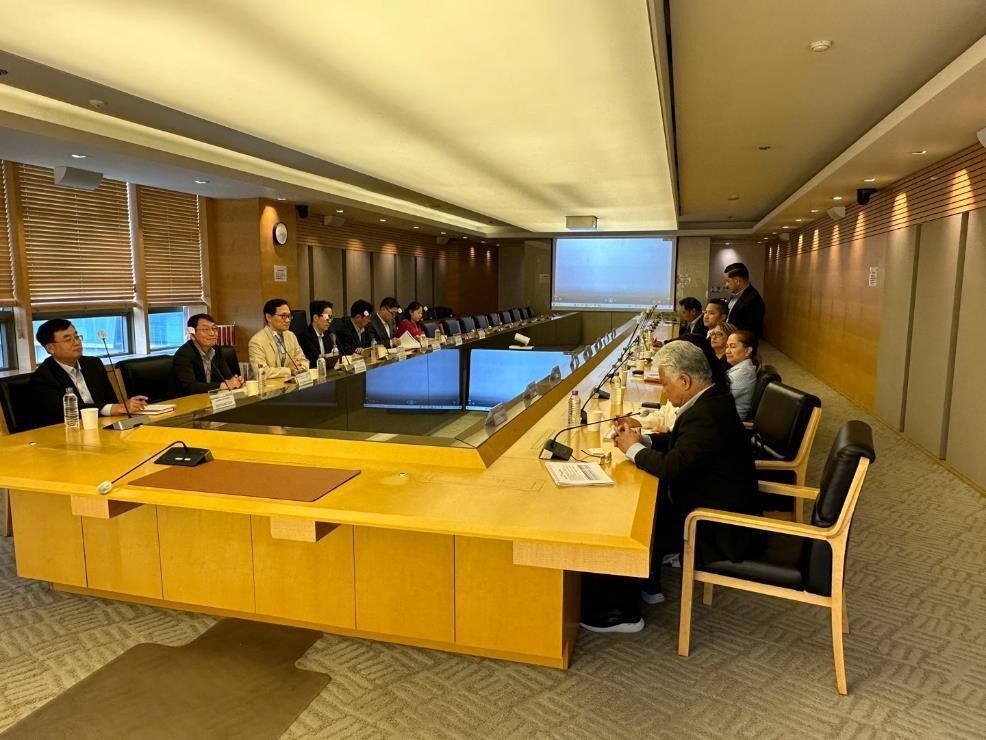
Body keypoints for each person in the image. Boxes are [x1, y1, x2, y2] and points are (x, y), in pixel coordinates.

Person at [580, 341, 762, 633]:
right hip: (712, 501)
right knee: (647, 502)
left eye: (666, 385)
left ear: (685, 381)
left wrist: (632, 450)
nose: (664, 391)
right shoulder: (711, 400)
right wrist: (644, 441)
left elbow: (672, 468)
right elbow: (685, 447)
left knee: (626, 512)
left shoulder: (706, 415)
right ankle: (646, 581)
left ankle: (621, 611)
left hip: (719, 527)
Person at [30, 318, 148, 425]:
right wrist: (115, 408)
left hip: (104, 425)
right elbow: (66, 411)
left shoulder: (93, 364)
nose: (76, 342)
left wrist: (120, 408)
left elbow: (111, 400)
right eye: (67, 340)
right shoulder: (43, 377)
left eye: (76, 337)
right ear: (50, 348)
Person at [172, 313, 244, 395]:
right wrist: (222, 385)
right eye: (205, 329)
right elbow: (190, 387)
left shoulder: (216, 350)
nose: (212, 333)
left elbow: (227, 377)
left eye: (214, 328)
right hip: (185, 402)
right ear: (192, 334)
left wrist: (235, 381)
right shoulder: (183, 354)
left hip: (211, 399)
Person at [247, 298, 309, 379]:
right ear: (269, 317)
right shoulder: (257, 341)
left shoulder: (291, 336)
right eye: (283, 316)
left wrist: (300, 367)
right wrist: (288, 370)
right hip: (268, 388)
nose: (287, 320)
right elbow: (262, 372)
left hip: (290, 385)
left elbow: (304, 361)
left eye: (289, 316)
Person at [724, 329, 760, 420]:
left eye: (732, 346)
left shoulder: (744, 373)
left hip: (728, 425)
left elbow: (717, 399)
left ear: (748, 351)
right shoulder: (743, 368)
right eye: (727, 346)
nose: (727, 351)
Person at [724, 262, 766, 338]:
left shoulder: (754, 300)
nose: (726, 285)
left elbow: (752, 332)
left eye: (727, 281)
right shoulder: (736, 294)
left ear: (737, 281)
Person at [297, 299, 335, 364]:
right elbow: (314, 359)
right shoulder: (304, 336)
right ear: (315, 318)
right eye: (327, 317)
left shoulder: (327, 334)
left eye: (331, 317)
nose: (329, 321)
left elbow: (335, 355)